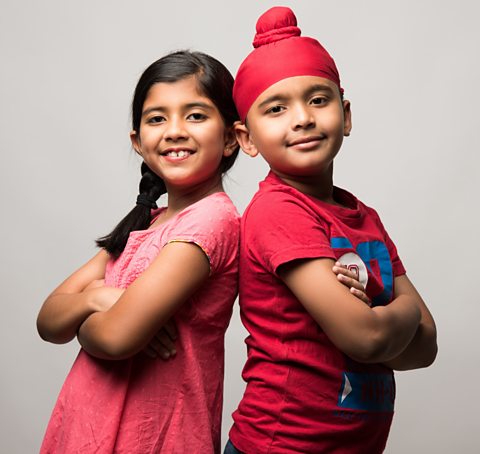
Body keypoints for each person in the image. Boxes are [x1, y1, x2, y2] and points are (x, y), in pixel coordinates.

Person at [224, 7, 437, 454]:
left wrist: (381, 324)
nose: (301, 118)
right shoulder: (278, 210)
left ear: (346, 113)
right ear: (246, 139)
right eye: (276, 108)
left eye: (318, 100)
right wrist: (403, 313)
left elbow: (424, 350)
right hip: (280, 446)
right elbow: (369, 338)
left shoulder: (365, 217)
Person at [36, 50, 240, 453]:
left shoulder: (212, 221)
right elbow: (48, 321)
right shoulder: (146, 222)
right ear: (138, 141)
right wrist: (101, 297)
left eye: (196, 115)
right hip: (86, 429)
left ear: (232, 136)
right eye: (156, 118)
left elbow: (115, 338)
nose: (175, 130)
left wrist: (97, 312)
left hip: (153, 437)